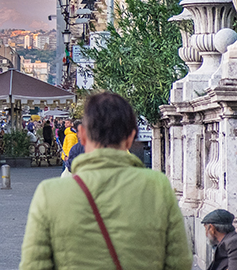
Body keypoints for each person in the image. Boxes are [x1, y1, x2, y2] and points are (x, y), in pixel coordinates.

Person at [19, 91, 192, 270]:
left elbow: (34, 265)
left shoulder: (49, 193)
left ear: (82, 135)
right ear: (131, 137)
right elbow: (179, 263)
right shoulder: (158, 186)